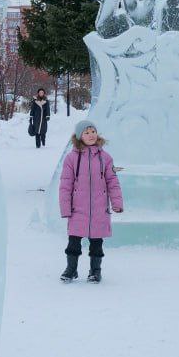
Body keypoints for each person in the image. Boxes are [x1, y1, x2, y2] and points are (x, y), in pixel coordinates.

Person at [58, 119, 123, 284]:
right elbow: (65, 185)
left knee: (96, 244)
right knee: (73, 242)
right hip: (77, 209)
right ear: (80, 136)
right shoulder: (71, 158)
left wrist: (117, 203)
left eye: (92, 131)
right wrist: (66, 208)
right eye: (86, 132)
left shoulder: (105, 158)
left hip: (99, 209)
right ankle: (71, 269)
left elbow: (113, 182)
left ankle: (95, 271)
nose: (90, 135)